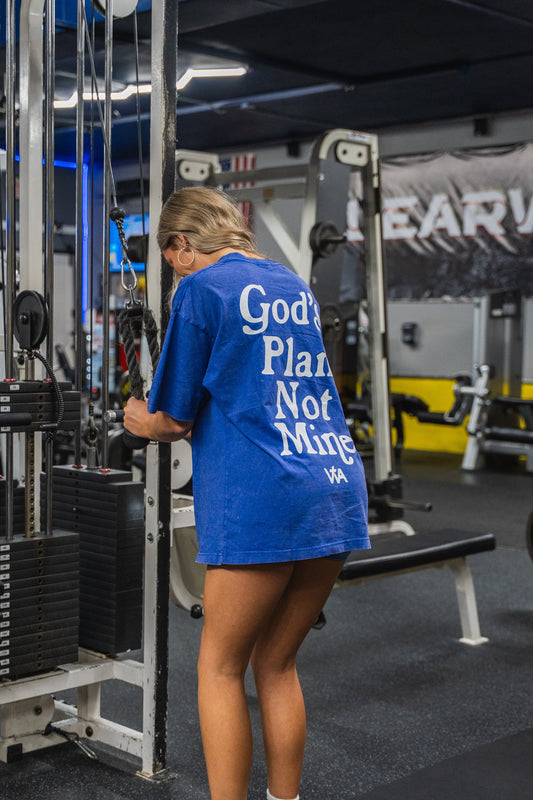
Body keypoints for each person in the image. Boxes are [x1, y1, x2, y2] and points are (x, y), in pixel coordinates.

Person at [124, 186, 369, 800]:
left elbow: (172, 419)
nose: (174, 270)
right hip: (333, 484)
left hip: (263, 496)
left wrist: (137, 418)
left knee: (219, 667)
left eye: (170, 258)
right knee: (277, 664)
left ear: (182, 246)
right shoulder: (291, 285)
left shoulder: (200, 290)